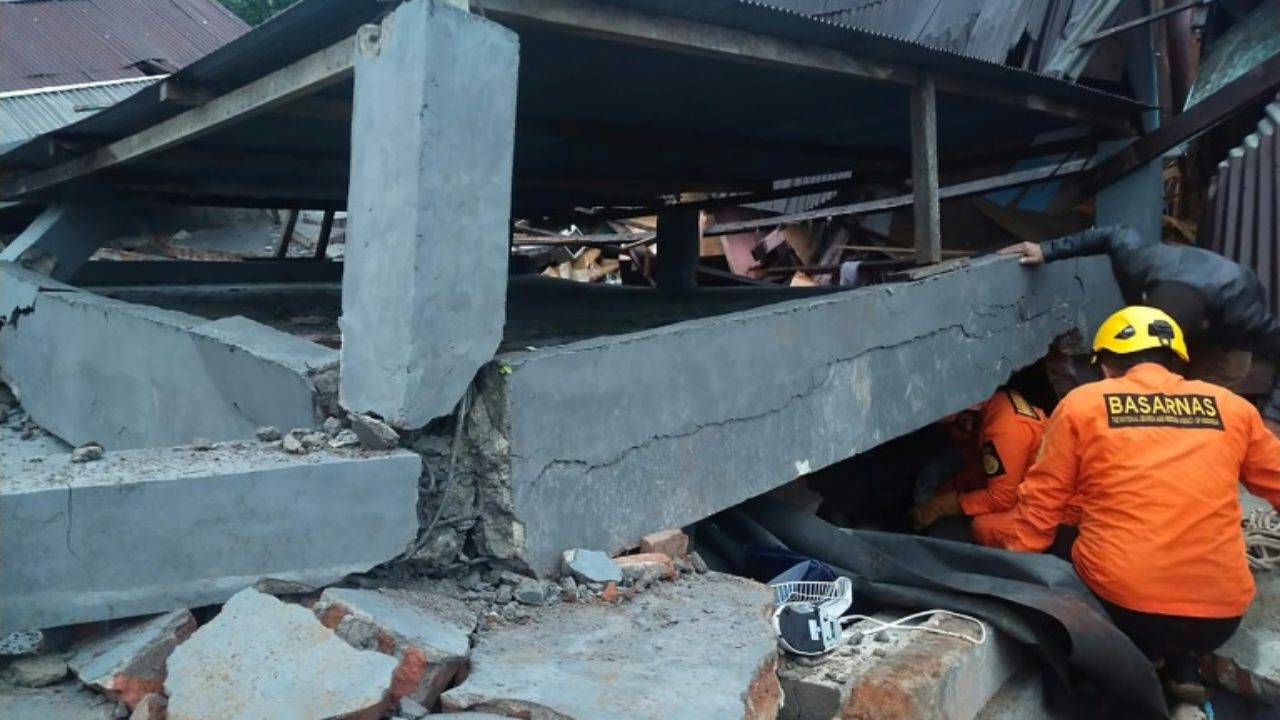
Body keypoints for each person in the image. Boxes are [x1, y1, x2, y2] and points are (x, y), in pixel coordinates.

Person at [999, 306, 1280, 701]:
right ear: (1178, 362)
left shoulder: (1084, 404)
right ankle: (1183, 664)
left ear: (1105, 366)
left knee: (1060, 540)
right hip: (1219, 618)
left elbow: (1043, 500)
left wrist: (1014, 569)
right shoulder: (1232, 408)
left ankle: (1131, 659)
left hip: (1127, 609)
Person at [999, 225, 1280, 434]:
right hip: (1170, 312)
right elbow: (1111, 233)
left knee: (1198, 416)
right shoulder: (1137, 262)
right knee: (1146, 399)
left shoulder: (1243, 312)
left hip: (1220, 347)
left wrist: (1273, 414)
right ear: (1144, 298)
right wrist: (1046, 250)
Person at [909, 388, 1048, 547]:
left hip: (1048, 504)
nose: (954, 434)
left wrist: (942, 506)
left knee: (983, 528)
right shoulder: (994, 406)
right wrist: (945, 490)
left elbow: (1001, 498)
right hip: (1028, 482)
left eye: (955, 426)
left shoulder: (1003, 430)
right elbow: (983, 471)